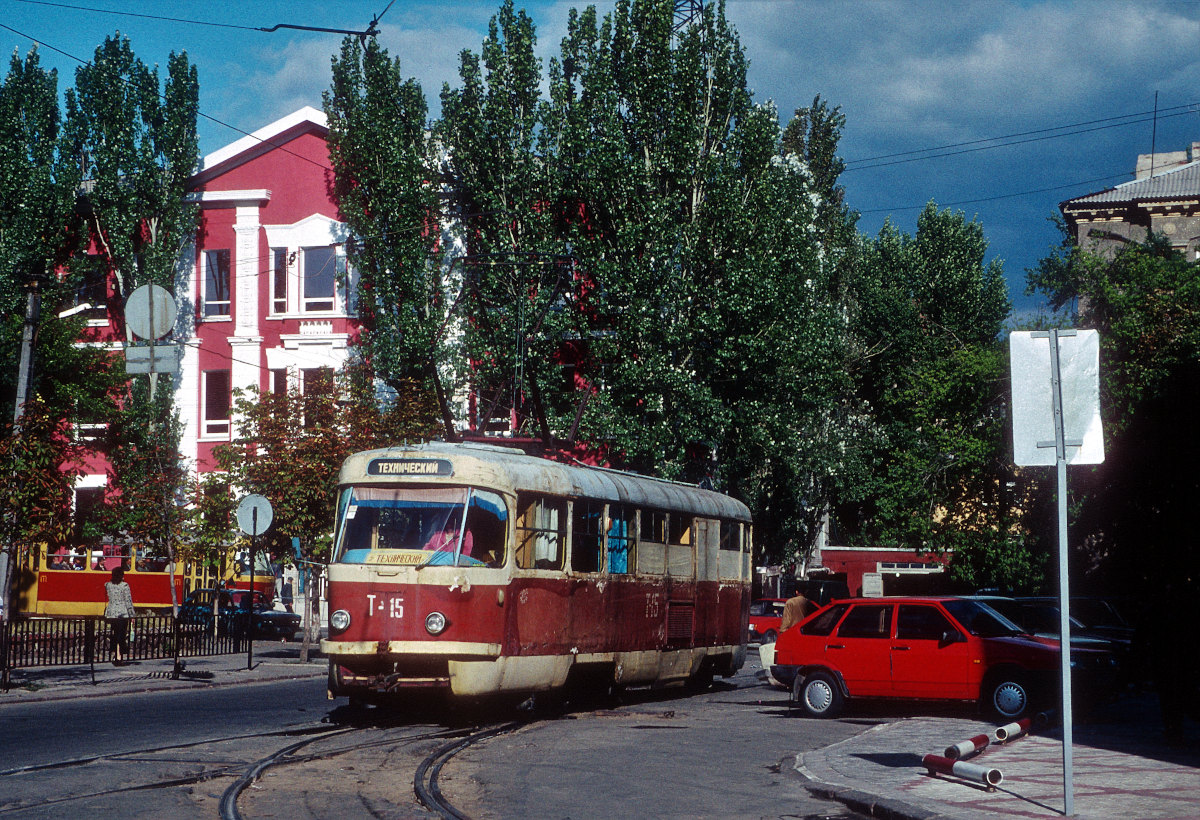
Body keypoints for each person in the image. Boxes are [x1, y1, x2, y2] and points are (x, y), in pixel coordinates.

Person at [104, 567, 136, 666]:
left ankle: (116, 654)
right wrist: (132, 615)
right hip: (123, 613)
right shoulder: (125, 586)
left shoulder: (108, 585)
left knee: (115, 634)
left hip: (112, 614)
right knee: (121, 636)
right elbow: (128, 601)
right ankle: (119, 657)